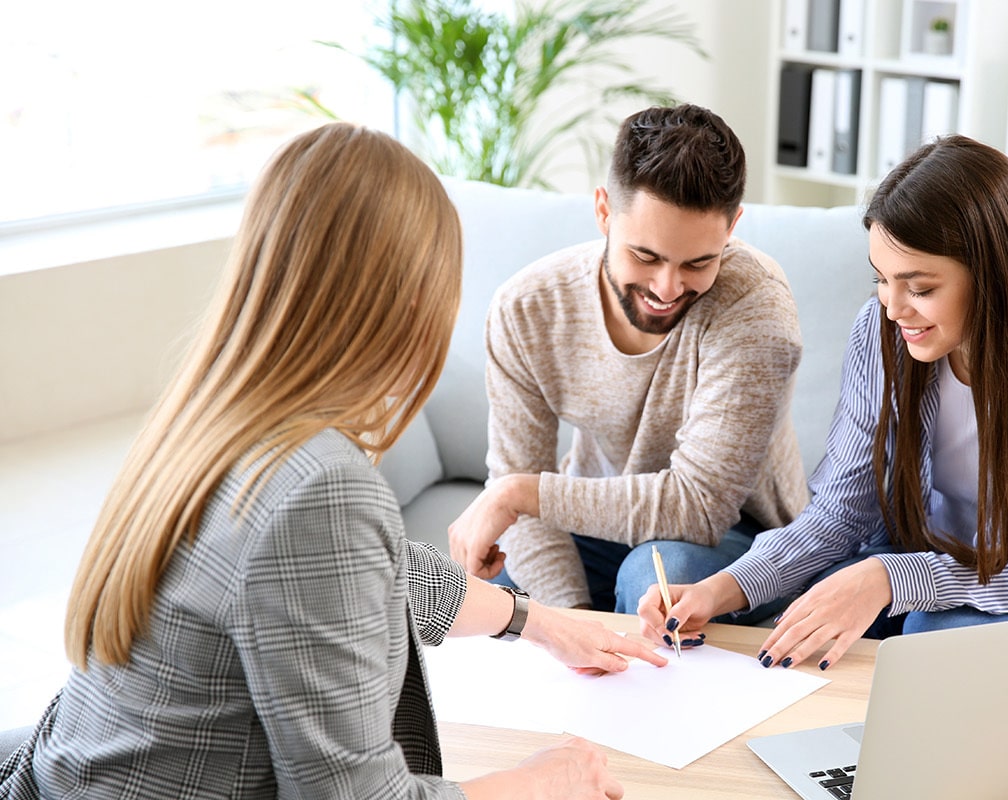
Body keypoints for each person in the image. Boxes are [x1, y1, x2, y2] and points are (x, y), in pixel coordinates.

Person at [0, 122, 666, 800]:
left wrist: (538, 622)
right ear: (412, 301)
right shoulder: (318, 488)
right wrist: (539, 784)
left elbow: (380, 570)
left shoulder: (207, 419)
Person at [637, 134, 1008, 671]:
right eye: (882, 280)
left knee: (932, 637)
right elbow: (841, 512)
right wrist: (722, 589)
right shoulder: (881, 335)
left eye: (921, 288)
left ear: (996, 274)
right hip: (922, 568)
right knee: (678, 578)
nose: (893, 308)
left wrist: (886, 579)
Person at [448, 104, 808, 614]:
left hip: (738, 536)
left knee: (657, 579)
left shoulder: (755, 307)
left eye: (698, 262)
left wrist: (517, 494)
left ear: (732, 228)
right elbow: (522, 503)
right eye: (646, 256)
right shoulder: (527, 308)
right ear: (603, 211)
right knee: (494, 568)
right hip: (596, 515)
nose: (667, 288)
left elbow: (700, 507)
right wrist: (569, 623)